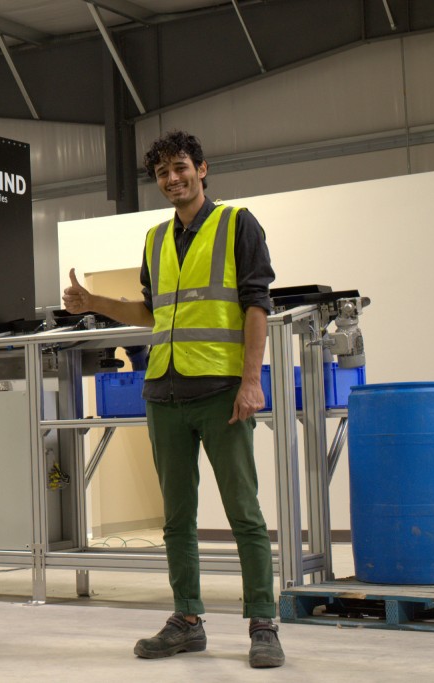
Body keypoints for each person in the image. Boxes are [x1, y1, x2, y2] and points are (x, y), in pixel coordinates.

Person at [63, 131, 284, 668]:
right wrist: (93, 301)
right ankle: (187, 619)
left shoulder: (238, 224)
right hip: (164, 393)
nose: (172, 179)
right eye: (162, 173)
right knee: (177, 518)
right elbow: (152, 314)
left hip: (221, 391)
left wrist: (252, 381)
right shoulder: (156, 239)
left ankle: (263, 622)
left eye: (180, 167)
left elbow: (257, 305)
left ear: (202, 169)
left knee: (244, 513)